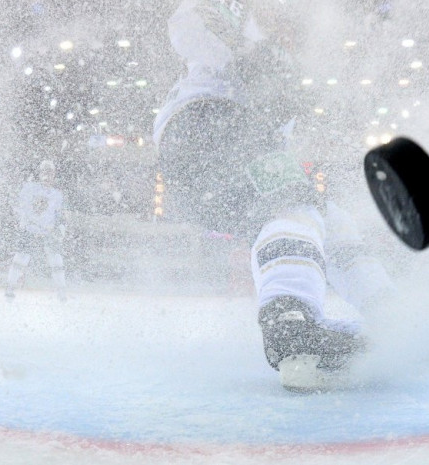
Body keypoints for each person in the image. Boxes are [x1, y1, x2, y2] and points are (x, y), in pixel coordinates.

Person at [153, 0, 394, 390]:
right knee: (293, 207)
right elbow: (190, 22)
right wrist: (248, 53)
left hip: (213, 145)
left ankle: (388, 312)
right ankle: (291, 325)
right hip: (207, 122)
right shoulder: (242, 22)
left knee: (328, 220)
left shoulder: (279, 56)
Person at [5, 160, 69, 302]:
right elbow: (19, 205)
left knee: (56, 260)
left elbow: (60, 215)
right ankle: (10, 287)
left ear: (54, 175)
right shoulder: (29, 189)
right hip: (30, 230)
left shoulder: (57, 195)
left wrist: (60, 228)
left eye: (50, 172)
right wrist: (22, 217)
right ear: (40, 173)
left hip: (48, 232)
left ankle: (61, 291)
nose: (47, 175)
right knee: (20, 258)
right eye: (44, 172)